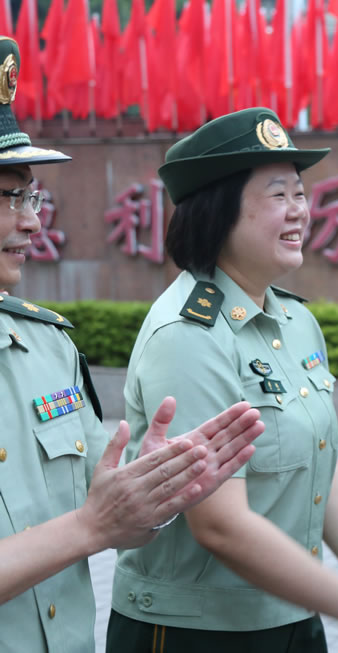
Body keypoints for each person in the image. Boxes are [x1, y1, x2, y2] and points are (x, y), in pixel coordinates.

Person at [106, 108, 338, 653]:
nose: (300, 212)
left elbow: (322, 471)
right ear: (219, 211)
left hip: (291, 618)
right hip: (196, 632)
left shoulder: (296, 322)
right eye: (278, 195)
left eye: (301, 194)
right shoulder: (189, 335)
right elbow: (219, 524)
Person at [0, 37, 264, 653]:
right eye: (10, 197)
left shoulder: (47, 347)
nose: (33, 221)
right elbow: (91, 524)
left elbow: (113, 516)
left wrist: (158, 493)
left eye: (32, 197)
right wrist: (90, 526)